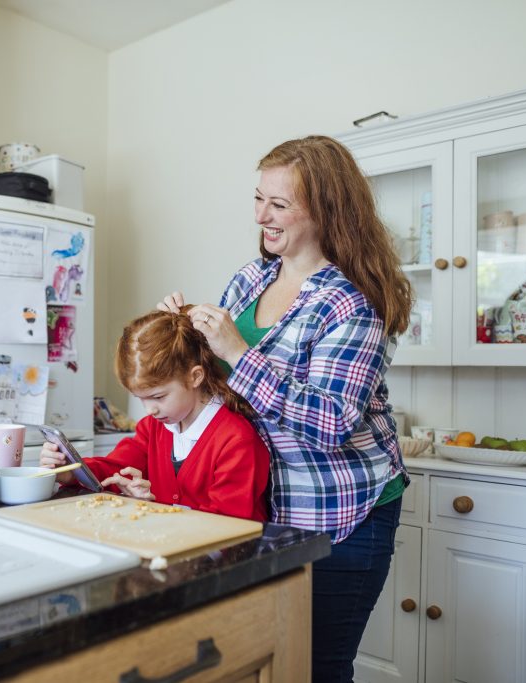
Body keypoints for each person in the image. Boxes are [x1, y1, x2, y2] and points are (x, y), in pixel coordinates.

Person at [159, 135, 412, 682]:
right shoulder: (252, 277)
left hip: (342, 510)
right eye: (258, 199)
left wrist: (236, 351)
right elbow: (216, 379)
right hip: (267, 499)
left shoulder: (353, 301)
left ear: (325, 209)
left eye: (279, 205)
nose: (262, 216)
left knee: (316, 665)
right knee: (274, 655)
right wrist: (179, 333)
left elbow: (333, 423)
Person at [40, 307, 270, 521]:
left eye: (158, 397)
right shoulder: (153, 427)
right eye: (141, 398)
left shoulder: (236, 440)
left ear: (195, 377)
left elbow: (227, 524)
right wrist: (69, 471)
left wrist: (155, 511)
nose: (149, 409)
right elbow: (113, 468)